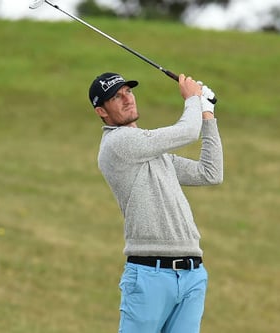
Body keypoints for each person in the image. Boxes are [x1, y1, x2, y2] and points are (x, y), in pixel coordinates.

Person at [88, 72, 224, 333]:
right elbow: (186, 132)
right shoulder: (117, 143)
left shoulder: (157, 156)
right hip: (149, 274)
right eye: (116, 97)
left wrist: (208, 114)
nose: (127, 99)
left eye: (128, 91)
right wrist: (193, 99)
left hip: (192, 273)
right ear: (101, 112)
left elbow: (211, 173)